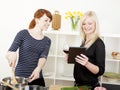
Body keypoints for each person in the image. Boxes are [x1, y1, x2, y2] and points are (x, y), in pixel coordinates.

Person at [6, 9, 52, 86]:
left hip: (37, 77)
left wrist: (38, 69)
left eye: (49, 21)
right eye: (46, 20)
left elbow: (43, 57)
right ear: (37, 20)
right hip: (20, 78)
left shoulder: (47, 40)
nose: (48, 23)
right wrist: (12, 54)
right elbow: (9, 52)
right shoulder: (23, 34)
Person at [66, 11, 105, 90]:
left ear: (95, 25)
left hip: (89, 87)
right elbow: (81, 62)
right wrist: (71, 58)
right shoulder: (84, 41)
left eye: (90, 23)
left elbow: (100, 71)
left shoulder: (99, 43)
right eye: (84, 24)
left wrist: (87, 64)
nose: (86, 26)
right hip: (78, 85)